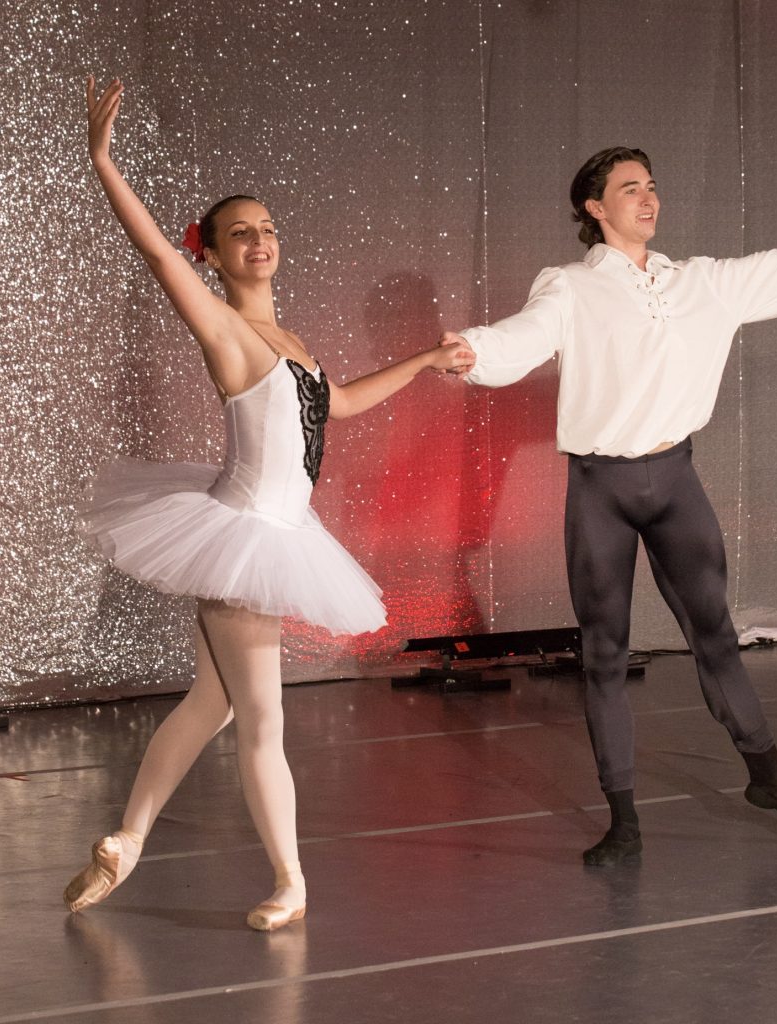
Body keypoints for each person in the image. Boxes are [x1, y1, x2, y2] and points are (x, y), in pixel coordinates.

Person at [442, 146, 777, 866]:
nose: (648, 199)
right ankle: (624, 821)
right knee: (605, 655)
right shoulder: (571, 288)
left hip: (676, 483)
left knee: (717, 640)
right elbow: (525, 336)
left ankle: (768, 777)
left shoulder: (701, 284)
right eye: (629, 189)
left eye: (652, 186)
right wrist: (473, 352)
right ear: (594, 207)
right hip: (602, 492)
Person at [64, 77, 474, 930]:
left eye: (267, 229)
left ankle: (129, 840)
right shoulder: (226, 330)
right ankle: (291, 881)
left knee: (209, 705)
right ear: (210, 254)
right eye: (238, 233)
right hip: (245, 535)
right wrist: (105, 164)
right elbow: (156, 257)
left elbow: (339, 404)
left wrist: (422, 363)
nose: (259, 239)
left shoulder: (294, 344)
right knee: (263, 718)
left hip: (279, 531)